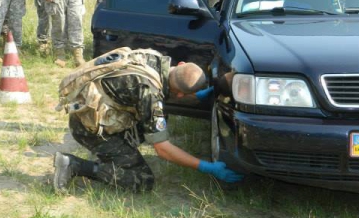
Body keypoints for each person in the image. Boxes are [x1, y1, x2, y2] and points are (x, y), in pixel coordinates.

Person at [53, 47, 243, 192]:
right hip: (89, 129)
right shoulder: (149, 93)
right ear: (179, 95)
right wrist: (206, 167)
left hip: (87, 113)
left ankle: (114, 154)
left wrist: (200, 96)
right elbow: (163, 150)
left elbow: (158, 97)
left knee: (160, 119)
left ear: (181, 64)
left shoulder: (154, 59)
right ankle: (74, 165)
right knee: (142, 180)